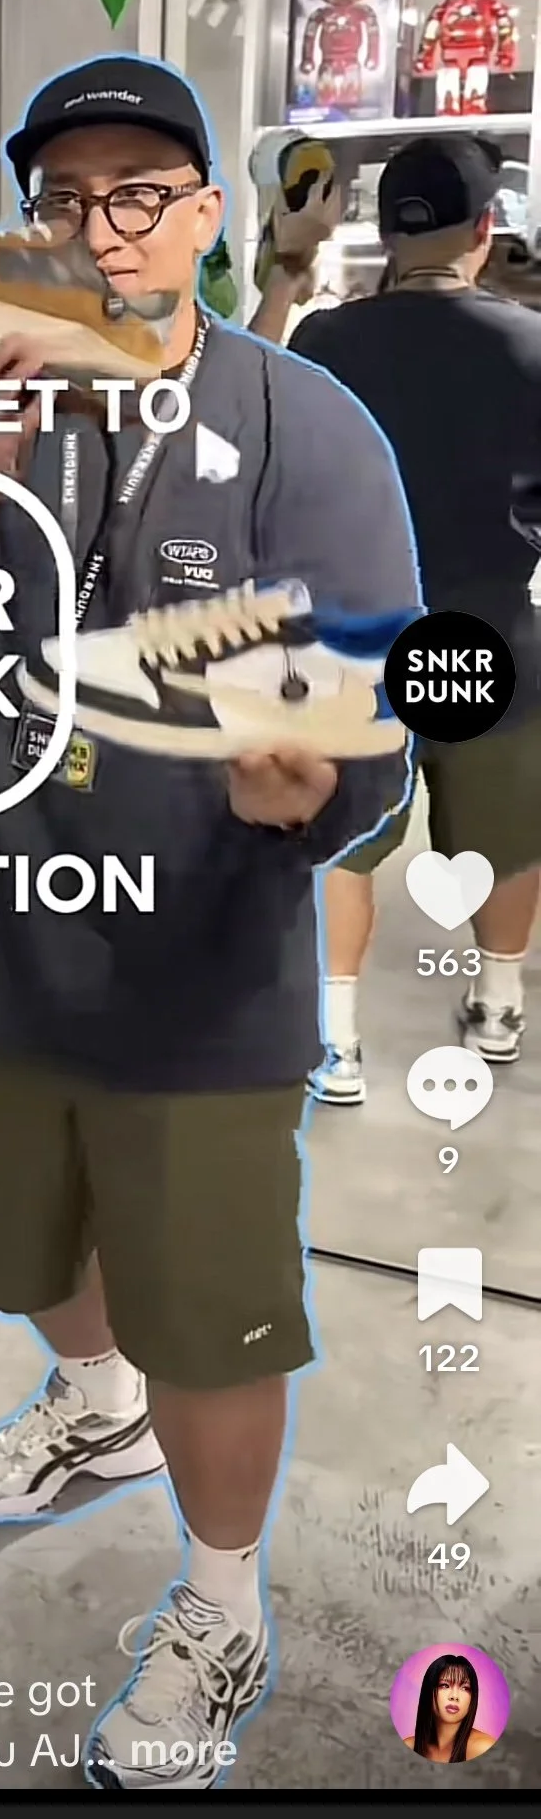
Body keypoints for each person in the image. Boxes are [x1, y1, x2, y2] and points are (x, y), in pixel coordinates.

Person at [0, 54, 421, 1791]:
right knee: (25, 1240)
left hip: (202, 968)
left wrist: (322, 786)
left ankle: (221, 1599)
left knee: (213, 1306)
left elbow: (376, 704)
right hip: (0, 925)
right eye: (64, 200)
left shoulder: (304, 423)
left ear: (210, 218)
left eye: (139, 195)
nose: (100, 228)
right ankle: (93, 1407)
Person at [287, 134, 541, 1103]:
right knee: (506, 833)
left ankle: (339, 1038)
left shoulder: (324, 343)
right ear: (485, 231)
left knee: (344, 843)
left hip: (356, 636)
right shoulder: (531, 347)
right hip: (493, 630)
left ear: (389, 232)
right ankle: (499, 1003)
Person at [402, 1653, 496, 1763]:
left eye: (465, 1688)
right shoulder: (409, 1746)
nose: (454, 1696)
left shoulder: (483, 1748)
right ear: (428, 1692)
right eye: (445, 1685)